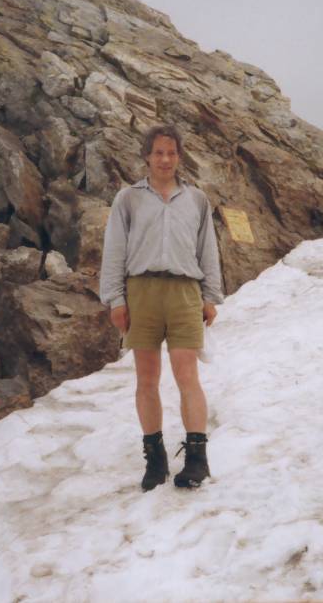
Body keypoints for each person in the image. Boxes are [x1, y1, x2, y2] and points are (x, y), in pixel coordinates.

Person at [99, 124, 224, 490]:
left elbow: (207, 249)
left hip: (185, 292)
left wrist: (210, 297)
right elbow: (114, 250)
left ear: (179, 157)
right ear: (147, 157)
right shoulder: (128, 199)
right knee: (147, 378)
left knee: (187, 376)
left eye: (171, 153)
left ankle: (197, 460)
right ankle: (155, 461)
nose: (165, 160)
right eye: (158, 153)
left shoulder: (196, 199)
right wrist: (116, 299)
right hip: (142, 293)